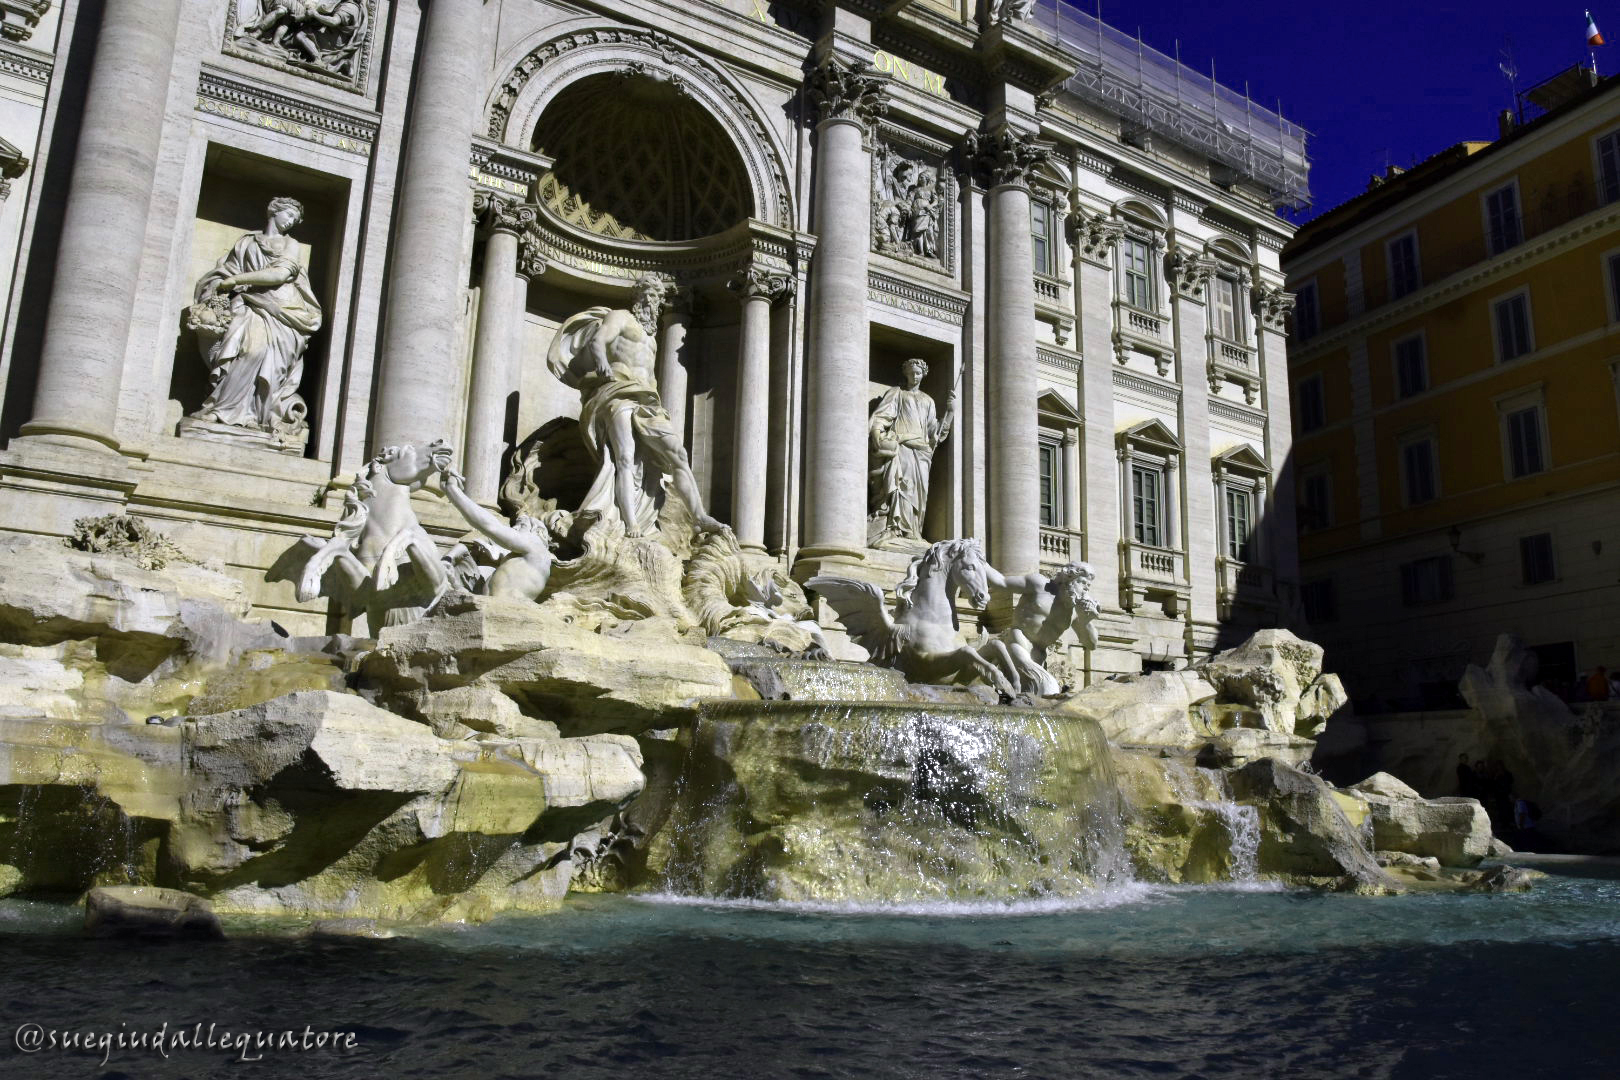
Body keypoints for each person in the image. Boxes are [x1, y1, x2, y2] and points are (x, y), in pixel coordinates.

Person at [545, 277, 724, 539]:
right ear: (638, 297)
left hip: (646, 399)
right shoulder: (621, 317)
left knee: (678, 455)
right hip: (617, 392)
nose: (652, 301)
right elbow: (598, 341)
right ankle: (630, 524)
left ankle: (698, 515)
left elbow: (650, 375)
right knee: (625, 458)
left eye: (656, 297)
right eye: (648, 295)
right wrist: (602, 362)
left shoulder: (652, 338)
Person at [189, 197, 321, 436]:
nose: (290, 222)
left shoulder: (291, 245)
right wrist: (221, 283)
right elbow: (226, 270)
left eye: (294, 219)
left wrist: (238, 281)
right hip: (246, 303)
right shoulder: (246, 242)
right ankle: (222, 411)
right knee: (242, 351)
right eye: (288, 215)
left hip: (282, 310)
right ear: (274, 211)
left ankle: (254, 415)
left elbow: (280, 274)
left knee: (262, 355)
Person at [867, 358, 954, 549]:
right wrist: (876, 433)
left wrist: (950, 412)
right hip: (903, 446)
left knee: (918, 493)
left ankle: (913, 532)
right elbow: (882, 416)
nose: (914, 377)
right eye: (911, 373)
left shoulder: (928, 401)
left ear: (923, 374)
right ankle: (896, 528)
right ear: (905, 374)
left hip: (922, 452)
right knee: (902, 487)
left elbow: (935, 433)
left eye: (918, 373)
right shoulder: (897, 393)